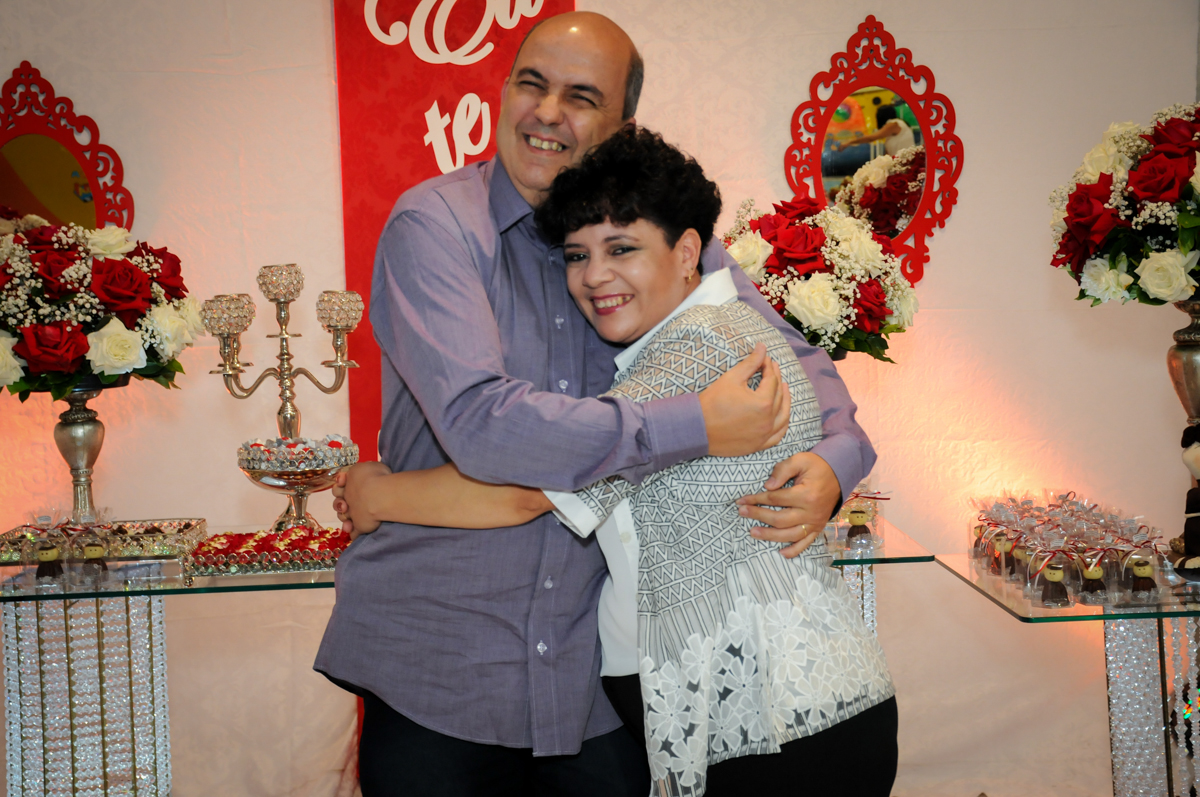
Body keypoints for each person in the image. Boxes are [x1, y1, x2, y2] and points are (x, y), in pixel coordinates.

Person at [316, 11, 876, 796]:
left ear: (622, 127)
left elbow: (804, 367)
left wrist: (830, 465)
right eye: (531, 84)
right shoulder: (437, 225)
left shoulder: (663, 240)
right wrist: (698, 426)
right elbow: (486, 424)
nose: (547, 113)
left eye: (580, 96)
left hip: (593, 685)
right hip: (442, 661)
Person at [832, 105, 916, 156]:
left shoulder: (894, 124)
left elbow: (871, 138)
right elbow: (886, 155)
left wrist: (849, 142)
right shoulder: (893, 130)